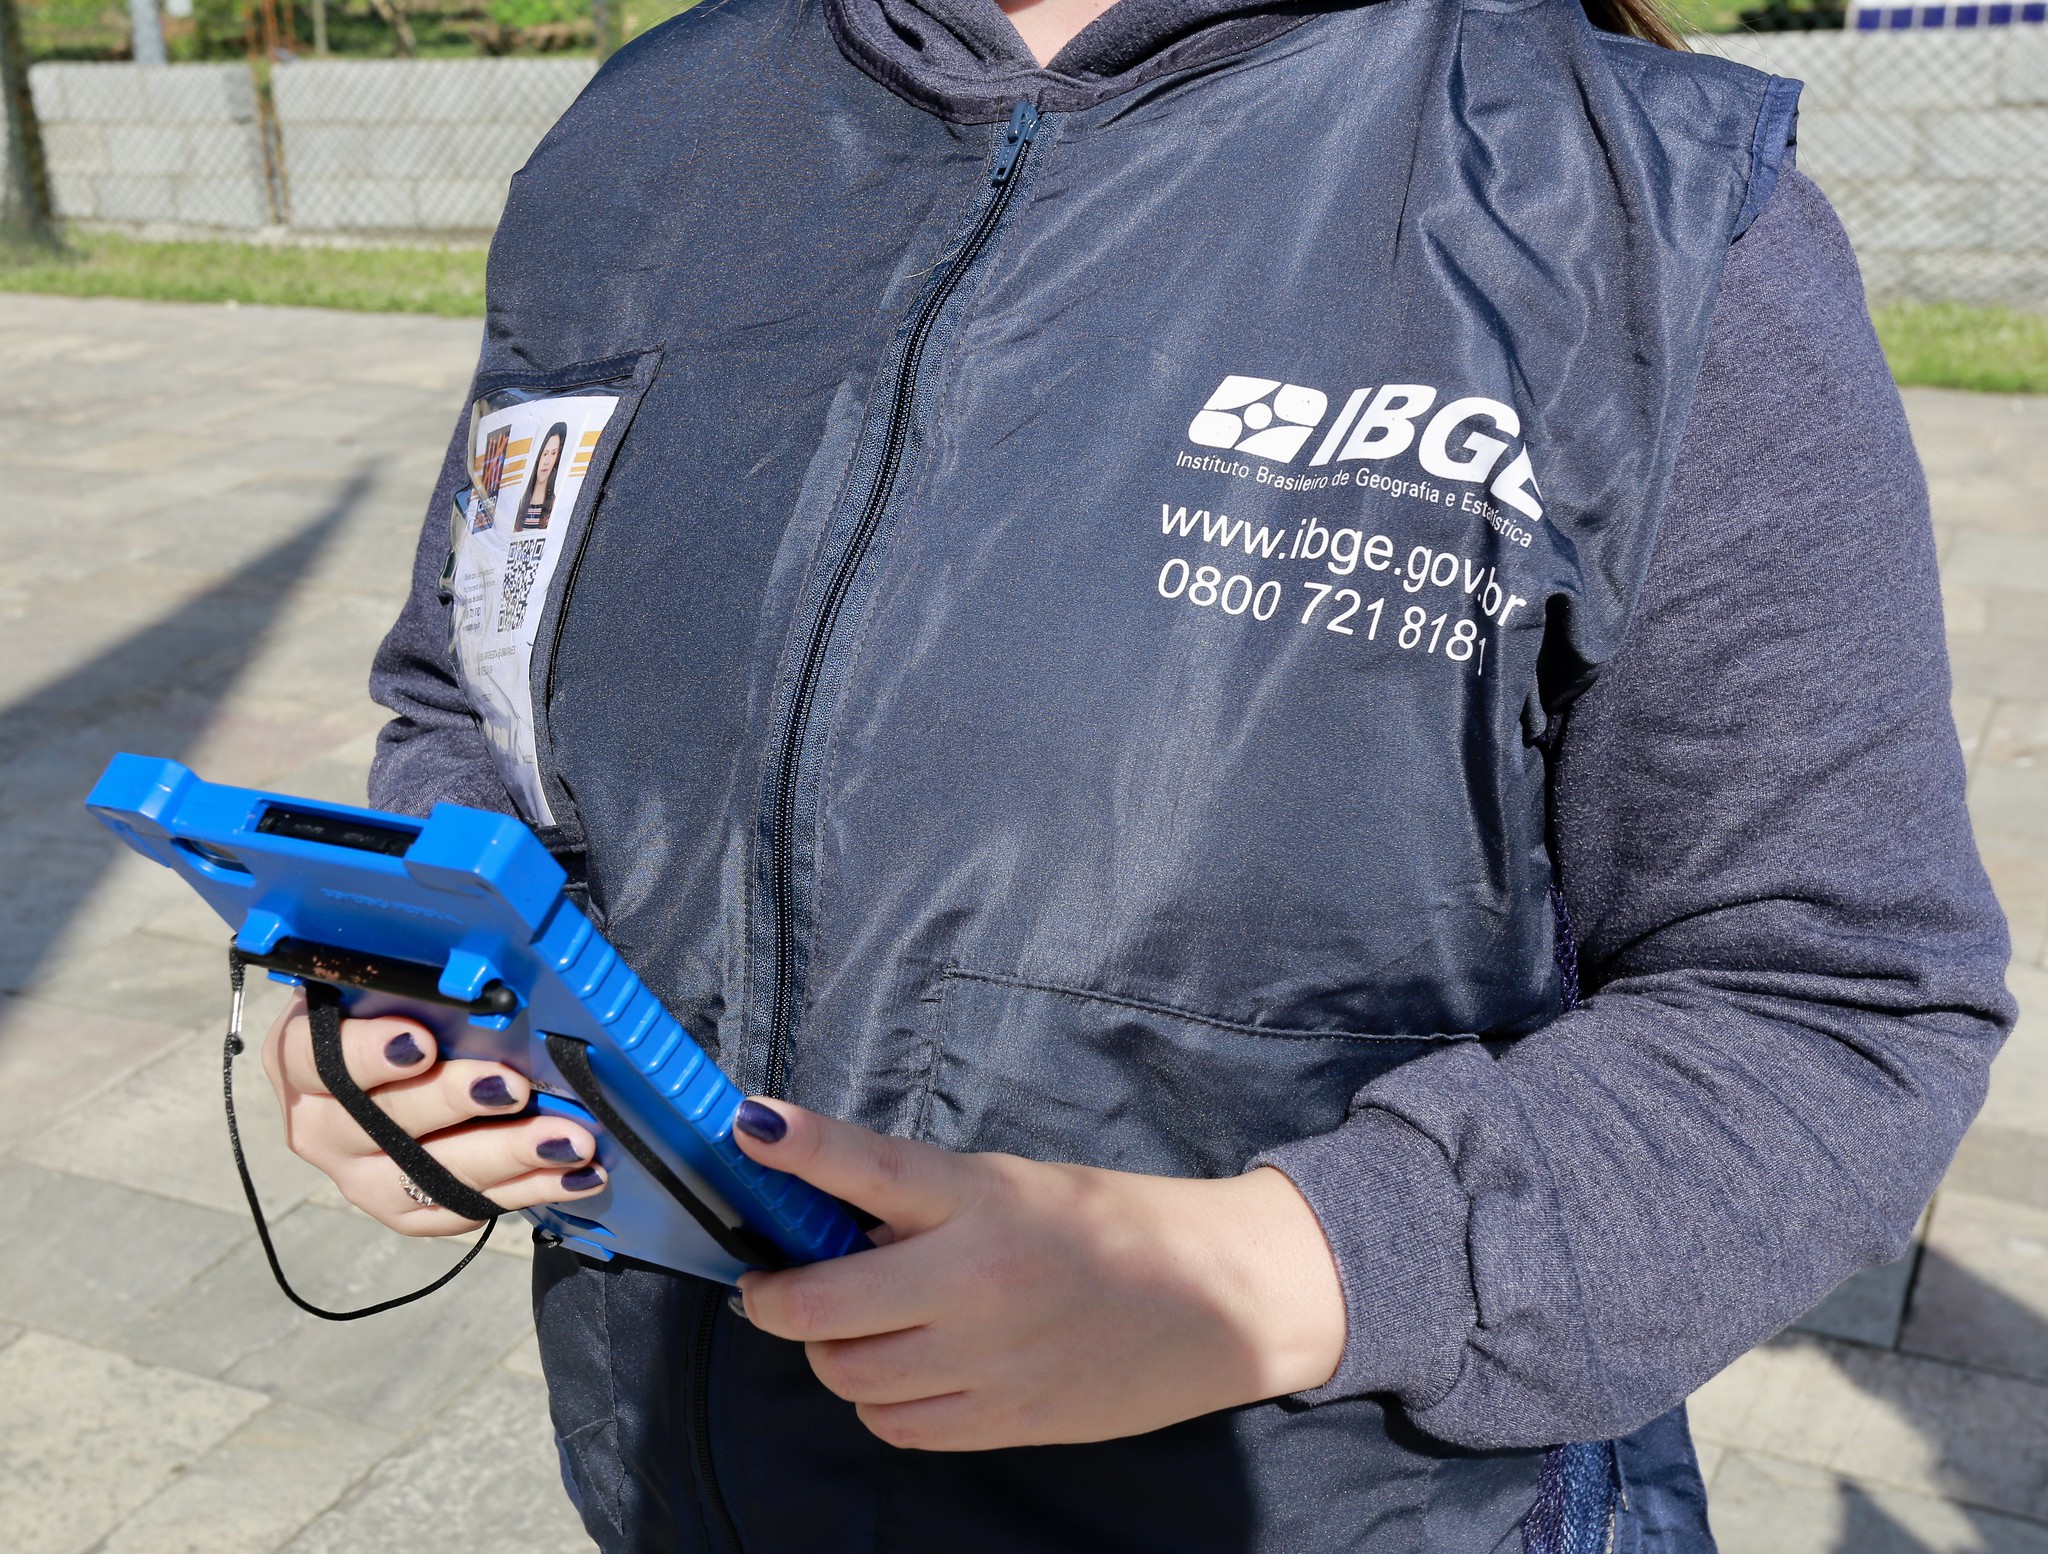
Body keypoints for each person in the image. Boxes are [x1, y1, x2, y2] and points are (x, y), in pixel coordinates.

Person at [259, 0, 2016, 1548]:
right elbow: (470, 689)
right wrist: (422, 985)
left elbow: (1831, 1002)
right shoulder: (648, 128)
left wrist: (1282, 1267)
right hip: (676, 1477)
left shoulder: (1645, 213)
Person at [514, 421, 568, 532]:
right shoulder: (520, 504)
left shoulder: (556, 505)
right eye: (545, 453)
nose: (546, 461)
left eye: (553, 453)